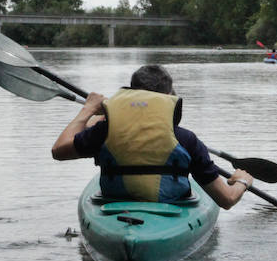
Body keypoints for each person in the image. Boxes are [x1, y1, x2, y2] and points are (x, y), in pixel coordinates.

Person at [51, 64, 253, 209]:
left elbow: (59, 150)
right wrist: (242, 182)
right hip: (169, 209)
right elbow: (226, 199)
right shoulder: (186, 140)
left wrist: (88, 110)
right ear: (169, 96)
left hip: (114, 207)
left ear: (131, 92)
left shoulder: (103, 132)